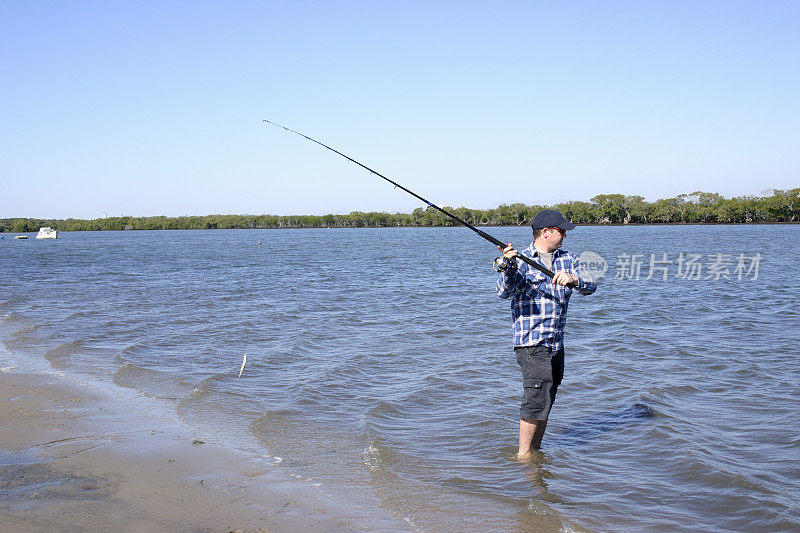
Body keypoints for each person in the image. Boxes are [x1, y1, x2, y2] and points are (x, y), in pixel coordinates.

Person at [496, 209, 596, 459]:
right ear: (545, 232)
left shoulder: (568, 259)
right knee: (536, 395)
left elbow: (591, 285)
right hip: (531, 342)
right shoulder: (519, 260)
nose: (564, 235)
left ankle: (535, 451)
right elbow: (504, 292)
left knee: (548, 396)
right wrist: (508, 266)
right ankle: (523, 456)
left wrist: (573, 279)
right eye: (561, 231)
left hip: (556, 343)